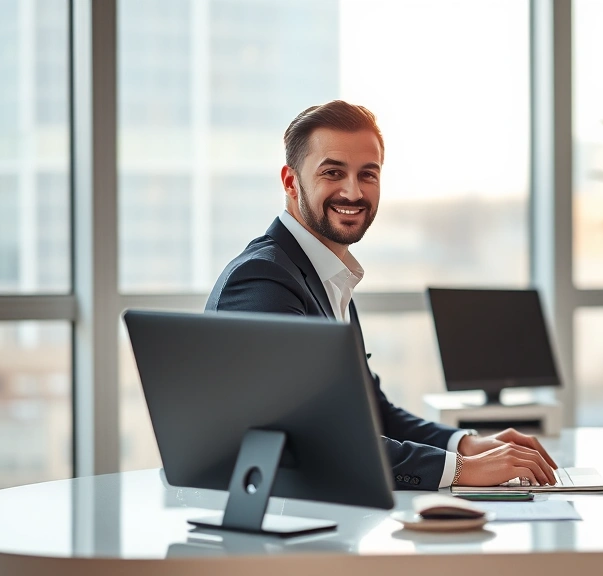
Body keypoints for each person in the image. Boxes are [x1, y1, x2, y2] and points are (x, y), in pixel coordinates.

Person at [206, 100, 558, 490]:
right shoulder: (264, 280)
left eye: (367, 174)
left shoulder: (327, 277)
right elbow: (311, 438)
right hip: (267, 528)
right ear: (291, 182)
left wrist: (468, 445)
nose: (353, 191)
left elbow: (373, 410)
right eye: (333, 172)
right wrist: (461, 470)